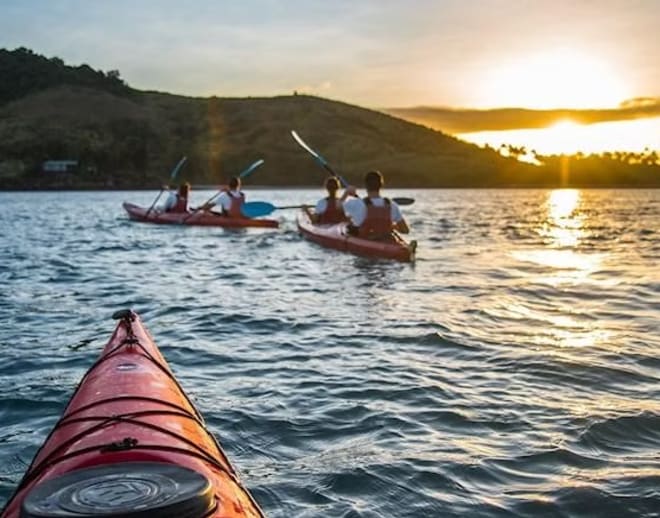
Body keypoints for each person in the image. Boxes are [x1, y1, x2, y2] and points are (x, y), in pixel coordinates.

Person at [342, 170, 410, 239]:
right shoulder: (392, 205)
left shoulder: (357, 203)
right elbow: (405, 230)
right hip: (386, 240)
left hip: (366, 240)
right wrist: (393, 226)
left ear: (366, 185)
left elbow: (337, 206)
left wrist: (346, 193)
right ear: (381, 185)